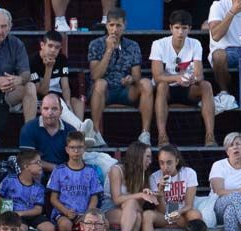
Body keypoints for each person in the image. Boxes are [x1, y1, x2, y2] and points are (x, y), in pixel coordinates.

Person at [150, 10, 216, 147]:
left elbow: (199, 74)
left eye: (184, 28)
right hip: (167, 91)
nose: (180, 32)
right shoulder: (158, 44)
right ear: (170, 28)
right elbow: (157, 76)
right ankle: (162, 136)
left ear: (190, 29)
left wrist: (193, 79)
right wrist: (178, 77)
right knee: (162, 85)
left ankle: (210, 135)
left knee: (206, 85)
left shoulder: (195, 43)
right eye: (177, 28)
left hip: (187, 89)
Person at [88, 7, 153, 144]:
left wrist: (131, 79)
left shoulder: (133, 46)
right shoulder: (95, 44)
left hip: (125, 90)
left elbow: (137, 75)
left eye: (118, 25)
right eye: (111, 25)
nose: (115, 29)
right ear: (106, 25)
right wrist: (109, 50)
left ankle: (145, 134)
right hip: (104, 92)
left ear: (124, 26)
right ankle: (95, 133)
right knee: (100, 83)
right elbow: (95, 75)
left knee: (146, 83)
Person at [0, 149, 57, 231]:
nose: (41, 165)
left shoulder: (39, 187)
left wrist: (21, 213)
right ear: (26, 166)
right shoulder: (10, 180)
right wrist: (5, 203)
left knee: (50, 229)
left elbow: (38, 209)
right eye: (37, 162)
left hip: (31, 214)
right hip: (13, 215)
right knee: (21, 229)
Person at [106, 139, 158, 231]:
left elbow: (138, 207)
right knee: (132, 204)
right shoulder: (116, 170)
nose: (150, 162)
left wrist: (144, 195)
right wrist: (140, 195)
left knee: (138, 215)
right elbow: (116, 199)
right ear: (137, 155)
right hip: (109, 209)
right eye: (147, 157)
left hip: (130, 213)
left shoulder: (143, 175)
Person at [204, 0, 241, 107]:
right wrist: (232, 12)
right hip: (224, 49)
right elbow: (216, 36)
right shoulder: (218, 5)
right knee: (219, 55)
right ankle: (224, 94)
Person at [47, 131, 101, 231]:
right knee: (65, 226)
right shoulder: (59, 170)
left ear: (84, 148)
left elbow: (94, 197)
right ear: (67, 149)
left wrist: (87, 214)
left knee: (103, 223)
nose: (76, 151)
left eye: (79, 147)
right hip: (63, 213)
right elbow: (53, 199)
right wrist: (66, 211)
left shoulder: (91, 171)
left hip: (85, 212)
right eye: (72, 148)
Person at [145, 144, 201, 231]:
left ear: (177, 161)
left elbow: (189, 205)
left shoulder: (189, 173)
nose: (165, 167)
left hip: (183, 212)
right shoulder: (154, 177)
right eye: (162, 163)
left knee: (195, 215)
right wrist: (160, 191)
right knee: (147, 215)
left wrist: (178, 212)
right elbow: (161, 211)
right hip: (165, 214)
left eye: (169, 162)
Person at [30, 30, 85, 129]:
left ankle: (79, 133)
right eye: (50, 46)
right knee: (57, 100)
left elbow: (65, 86)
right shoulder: (33, 61)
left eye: (57, 47)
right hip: (42, 99)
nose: (53, 50)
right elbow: (42, 92)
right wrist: (49, 68)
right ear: (42, 45)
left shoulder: (62, 59)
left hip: (59, 95)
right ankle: (80, 129)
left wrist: (68, 102)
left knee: (77, 103)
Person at [18, 92, 74, 173]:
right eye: (46, 108)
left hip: (65, 176)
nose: (50, 113)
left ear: (61, 110)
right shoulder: (29, 128)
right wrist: (56, 168)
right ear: (40, 109)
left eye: (54, 109)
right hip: (37, 175)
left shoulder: (71, 131)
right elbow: (27, 161)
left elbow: (76, 159)